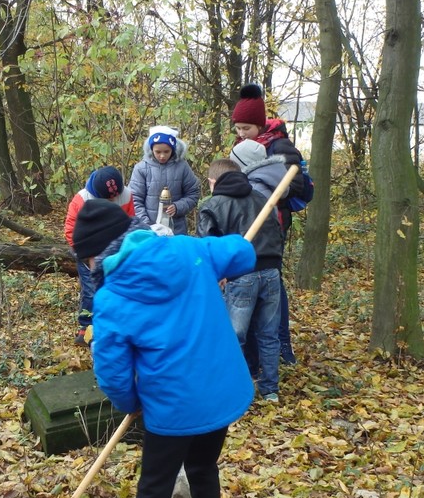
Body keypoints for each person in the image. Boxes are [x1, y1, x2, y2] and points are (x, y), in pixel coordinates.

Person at [71, 199, 256, 498]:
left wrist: (130, 402)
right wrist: (217, 260)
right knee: (204, 468)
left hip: (172, 408)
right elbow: (243, 251)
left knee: (155, 489)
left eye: (85, 261)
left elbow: (113, 373)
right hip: (219, 395)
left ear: (96, 255)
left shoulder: (111, 300)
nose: (87, 270)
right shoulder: (188, 249)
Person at [198, 158, 284, 402]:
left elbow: (207, 245)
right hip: (271, 273)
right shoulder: (262, 199)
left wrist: (217, 275)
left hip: (240, 276)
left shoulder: (213, 205)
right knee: (268, 334)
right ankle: (270, 390)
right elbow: (278, 234)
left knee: (234, 336)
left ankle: (232, 390)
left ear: (212, 182)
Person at [231, 83, 305, 365]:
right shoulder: (242, 146)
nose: (241, 134)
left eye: (246, 128)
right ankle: (252, 351)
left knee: (272, 284)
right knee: (247, 283)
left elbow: (293, 183)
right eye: (238, 128)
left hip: (272, 224)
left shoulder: (280, 144)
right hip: (246, 222)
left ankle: (282, 345)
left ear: (259, 125)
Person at [64, 166, 135, 345]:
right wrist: (85, 254)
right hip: (89, 252)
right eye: (108, 197)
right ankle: (85, 327)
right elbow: (71, 230)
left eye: (115, 195)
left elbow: (131, 222)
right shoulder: (82, 199)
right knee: (90, 290)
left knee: (116, 288)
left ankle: (114, 324)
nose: (113, 199)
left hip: (116, 252)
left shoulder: (126, 195)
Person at [129, 126, 201, 236]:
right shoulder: (141, 168)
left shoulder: (182, 167)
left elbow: (193, 193)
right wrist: (147, 226)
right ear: (151, 149)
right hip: (149, 231)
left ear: (173, 149)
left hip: (177, 230)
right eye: (158, 152)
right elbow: (135, 200)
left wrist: (178, 207)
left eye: (166, 151)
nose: (162, 156)